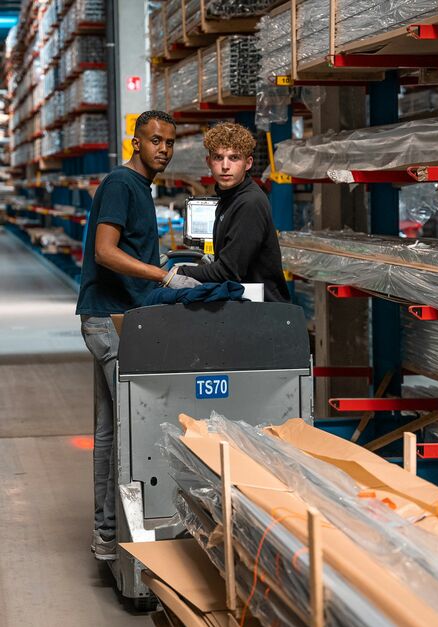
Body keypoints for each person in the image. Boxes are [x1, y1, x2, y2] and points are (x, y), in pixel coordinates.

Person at [76, 110, 199, 560]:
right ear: (136, 142)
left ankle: (106, 535)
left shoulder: (139, 188)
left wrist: (161, 263)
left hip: (112, 316)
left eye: (169, 141)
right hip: (112, 319)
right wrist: (163, 277)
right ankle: (119, 538)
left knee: (110, 429)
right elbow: (105, 253)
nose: (163, 148)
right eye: (154, 140)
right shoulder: (121, 185)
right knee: (131, 429)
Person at [173, 122, 290, 303]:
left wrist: (178, 272)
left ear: (248, 163)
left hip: (264, 312)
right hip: (244, 306)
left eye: (234, 158)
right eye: (218, 158)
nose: (225, 166)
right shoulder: (229, 198)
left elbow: (228, 272)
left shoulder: (249, 203)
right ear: (209, 162)